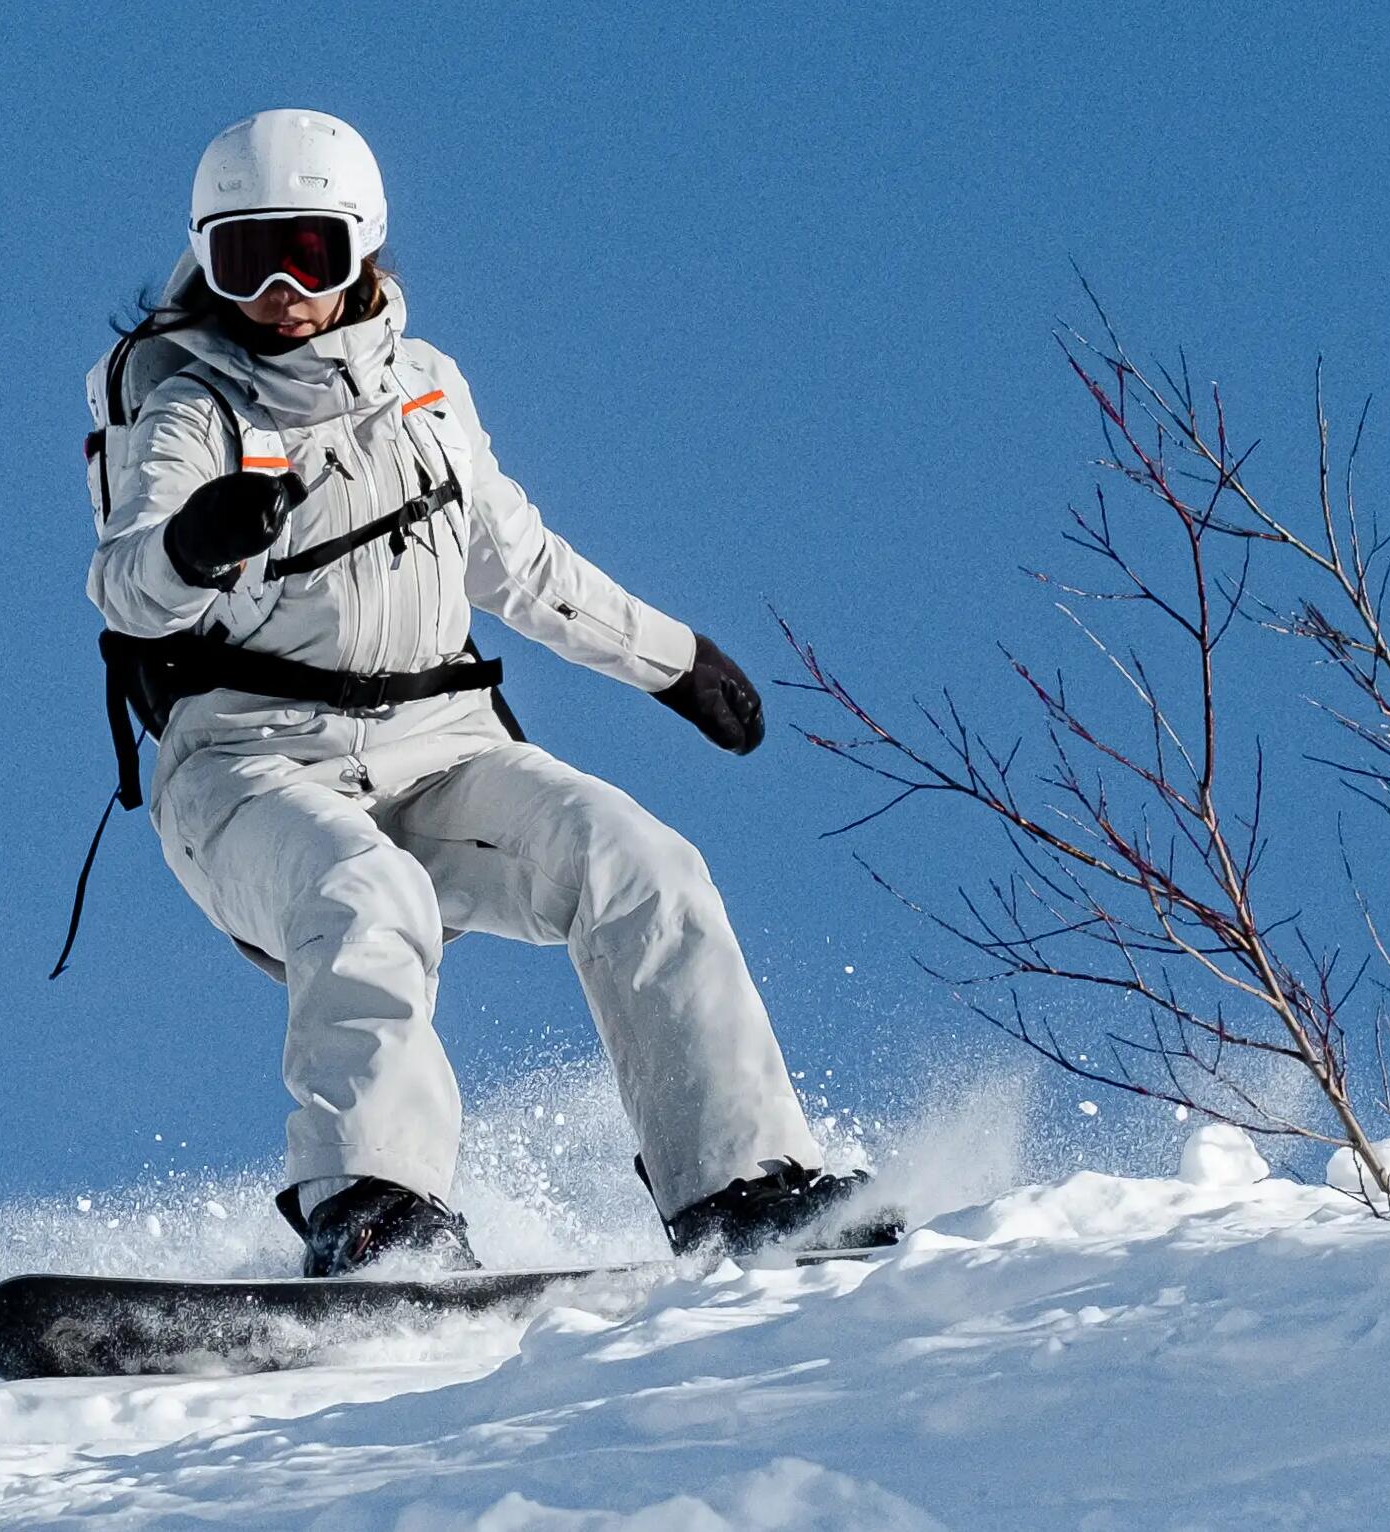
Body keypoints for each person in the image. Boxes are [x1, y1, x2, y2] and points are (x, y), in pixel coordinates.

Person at [86, 109, 889, 1276]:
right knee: (368, 898)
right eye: (240, 257)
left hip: (439, 745)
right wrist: (196, 543)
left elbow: (520, 563)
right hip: (248, 767)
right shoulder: (192, 409)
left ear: (360, 247)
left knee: (639, 863)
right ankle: (375, 1214)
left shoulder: (427, 390)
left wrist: (673, 659)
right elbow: (127, 587)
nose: (274, 290)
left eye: (304, 252)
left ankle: (741, 1185)